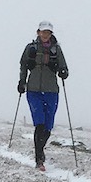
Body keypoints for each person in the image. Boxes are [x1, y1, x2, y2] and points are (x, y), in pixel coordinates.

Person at [17, 21, 69, 170]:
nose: (45, 35)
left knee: (48, 126)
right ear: (38, 32)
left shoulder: (56, 49)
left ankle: (40, 151)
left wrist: (63, 72)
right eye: (43, 32)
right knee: (39, 123)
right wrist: (22, 81)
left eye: (48, 32)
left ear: (51, 34)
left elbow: (64, 67)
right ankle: (39, 158)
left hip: (51, 91)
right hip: (33, 90)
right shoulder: (30, 48)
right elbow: (23, 65)